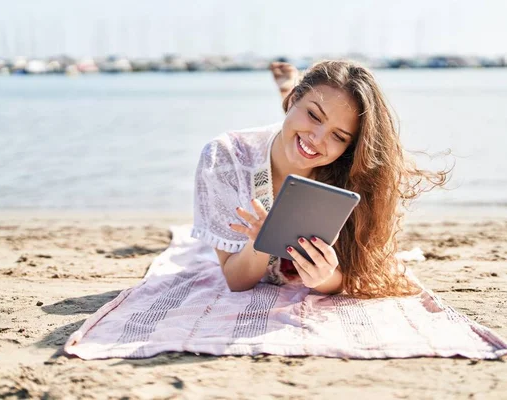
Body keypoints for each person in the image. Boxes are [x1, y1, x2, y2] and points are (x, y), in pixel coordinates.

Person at [192, 60, 448, 298]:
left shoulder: (351, 178)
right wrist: (261, 241)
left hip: (303, 136)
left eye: (339, 136)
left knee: (304, 139)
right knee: (301, 137)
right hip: (271, 142)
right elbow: (237, 282)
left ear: (349, 148)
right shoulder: (226, 158)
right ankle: (291, 90)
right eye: (314, 116)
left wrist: (323, 278)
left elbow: (345, 279)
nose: (318, 137)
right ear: (294, 99)